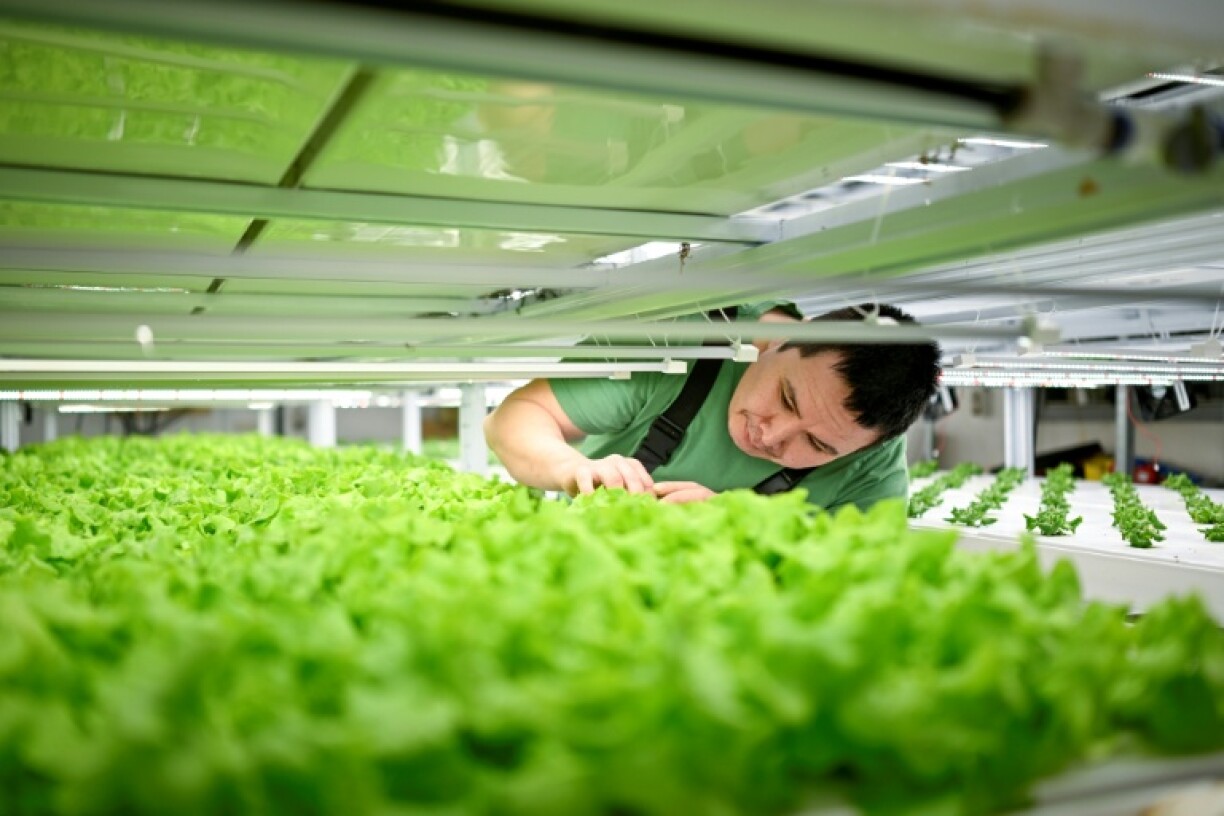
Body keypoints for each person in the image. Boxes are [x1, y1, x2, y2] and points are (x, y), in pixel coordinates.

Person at [484, 302, 940, 512]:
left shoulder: (873, 459)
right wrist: (569, 467)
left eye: (817, 443)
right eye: (785, 397)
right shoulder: (679, 344)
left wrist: (739, 527)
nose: (773, 434)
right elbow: (516, 417)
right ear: (780, 341)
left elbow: (860, 579)